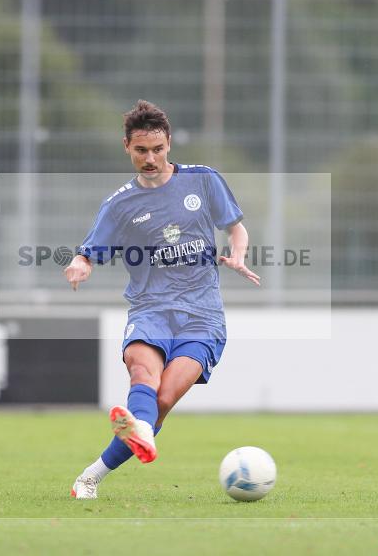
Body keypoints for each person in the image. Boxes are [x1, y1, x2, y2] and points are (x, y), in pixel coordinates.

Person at [65, 100, 260, 499]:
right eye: (141, 150)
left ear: (169, 142)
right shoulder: (119, 204)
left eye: (157, 149)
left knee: (162, 400)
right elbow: (88, 252)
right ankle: (117, 453)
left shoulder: (203, 180)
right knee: (142, 374)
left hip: (202, 318)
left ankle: (91, 475)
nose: (150, 158)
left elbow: (236, 229)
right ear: (127, 147)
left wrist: (238, 254)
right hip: (151, 310)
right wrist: (79, 264)